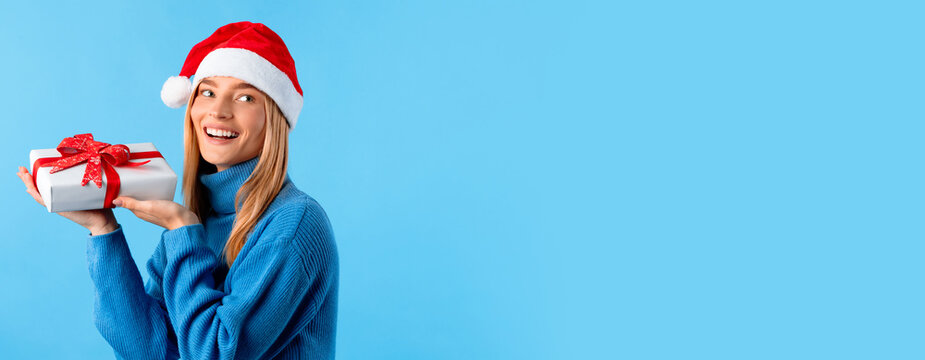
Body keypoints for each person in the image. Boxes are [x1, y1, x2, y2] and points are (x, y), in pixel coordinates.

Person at [16, 21, 338, 359]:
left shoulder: (293, 225)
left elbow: (214, 353)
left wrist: (182, 231)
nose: (218, 111)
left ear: (273, 118)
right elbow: (147, 350)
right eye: (208, 92)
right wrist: (104, 230)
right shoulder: (200, 218)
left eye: (245, 97)